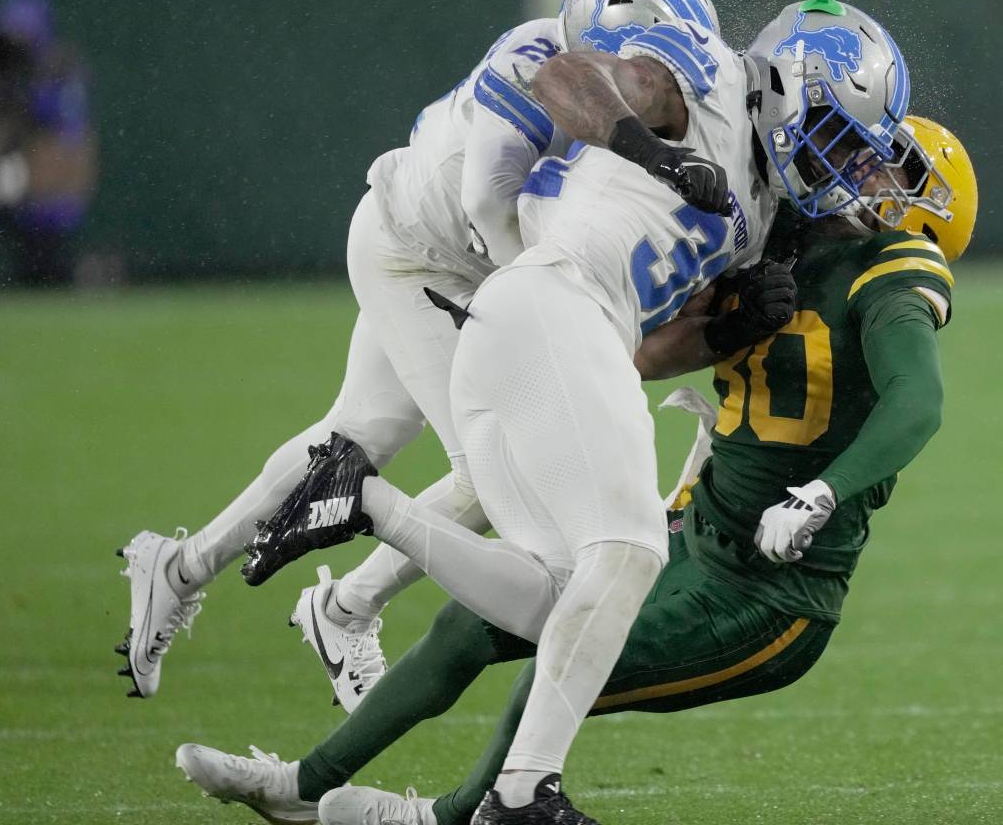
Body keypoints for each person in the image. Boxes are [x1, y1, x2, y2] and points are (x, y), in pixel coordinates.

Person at [176, 115, 974, 825]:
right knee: (466, 625)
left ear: (930, 213)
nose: (862, 169)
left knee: (567, 659)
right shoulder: (777, 236)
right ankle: (303, 786)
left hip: (767, 596)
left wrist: (824, 491)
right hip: (694, 535)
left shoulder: (896, 270)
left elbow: (918, 404)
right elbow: (639, 356)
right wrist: (729, 321)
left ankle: (450, 816)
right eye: (867, 150)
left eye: (891, 167)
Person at [116, 0, 723, 702]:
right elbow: (489, 206)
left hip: (453, 257)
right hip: (421, 253)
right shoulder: (535, 69)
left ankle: (177, 569)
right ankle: (345, 608)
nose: (674, 86)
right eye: (657, 65)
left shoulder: (611, 85)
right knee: (489, 468)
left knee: (356, 433)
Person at [0, 0, 97, 285]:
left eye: (24, 33)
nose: (16, 41)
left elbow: (67, 126)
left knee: (43, 261)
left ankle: (60, 271)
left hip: (42, 166)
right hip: (0, 161)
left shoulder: (59, 65)